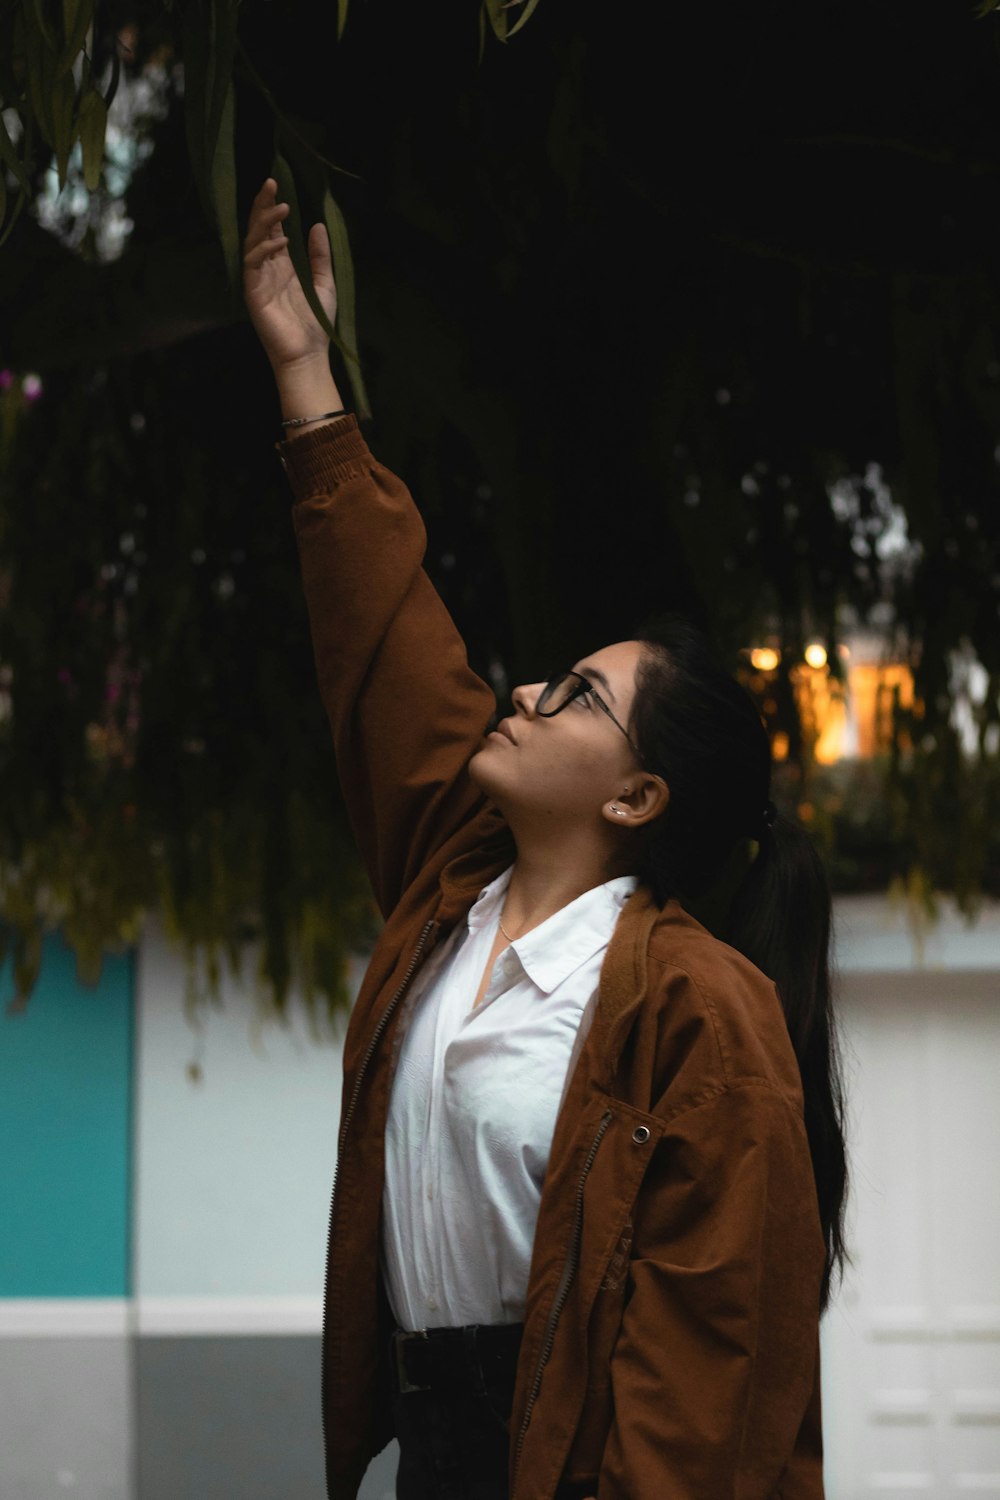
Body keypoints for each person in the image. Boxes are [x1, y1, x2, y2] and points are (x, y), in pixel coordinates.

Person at [243, 178, 847, 1500]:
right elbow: (389, 641)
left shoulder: (703, 1012)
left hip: (586, 1467)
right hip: (439, 1457)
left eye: (575, 696)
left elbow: (709, 1390)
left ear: (637, 798)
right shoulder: (451, 890)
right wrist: (306, 373)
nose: (521, 693)